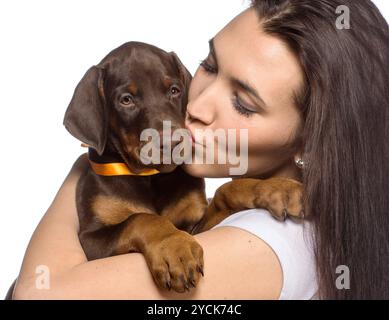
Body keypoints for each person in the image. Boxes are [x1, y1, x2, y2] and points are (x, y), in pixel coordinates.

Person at [12, 0, 389, 299]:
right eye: (208, 67)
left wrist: (81, 171)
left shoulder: (270, 244)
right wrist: (228, 199)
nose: (195, 107)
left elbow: (38, 295)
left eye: (243, 103)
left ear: (311, 138)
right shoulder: (272, 219)